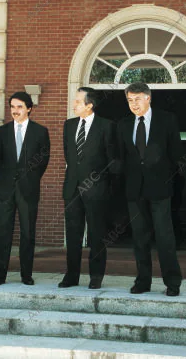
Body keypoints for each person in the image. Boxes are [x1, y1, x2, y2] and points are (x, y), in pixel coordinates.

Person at [117, 82, 182, 296]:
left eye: (137, 99)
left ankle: (172, 283)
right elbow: (122, 158)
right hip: (134, 191)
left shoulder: (167, 120)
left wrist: (168, 180)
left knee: (165, 237)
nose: (133, 104)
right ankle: (143, 281)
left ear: (148, 98)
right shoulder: (124, 124)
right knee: (139, 238)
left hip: (160, 189)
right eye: (129, 100)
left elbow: (176, 155)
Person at [59, 87, 116, 290]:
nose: (73, 104)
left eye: (77, 101)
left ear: (89, 105)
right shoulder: (69, 125)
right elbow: (70, 157)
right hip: (72, 188)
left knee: (96, 235)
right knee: (73, 234)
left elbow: (112, 160)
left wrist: (102, 185)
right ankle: (71, 276)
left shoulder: (106, 126)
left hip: (96, 189)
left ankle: (96, 276)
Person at [0, 91, 50, 286]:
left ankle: (26, 275)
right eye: (12, 107)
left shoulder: (40, 132)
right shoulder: (2, 131)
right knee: (2, 232)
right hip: (6, 189)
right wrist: (10, 178)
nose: (15, 111)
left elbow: (43, 160)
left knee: (27, 233)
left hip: (29, 190)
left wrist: (29, 180)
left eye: (19, 107)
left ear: (29, 108)